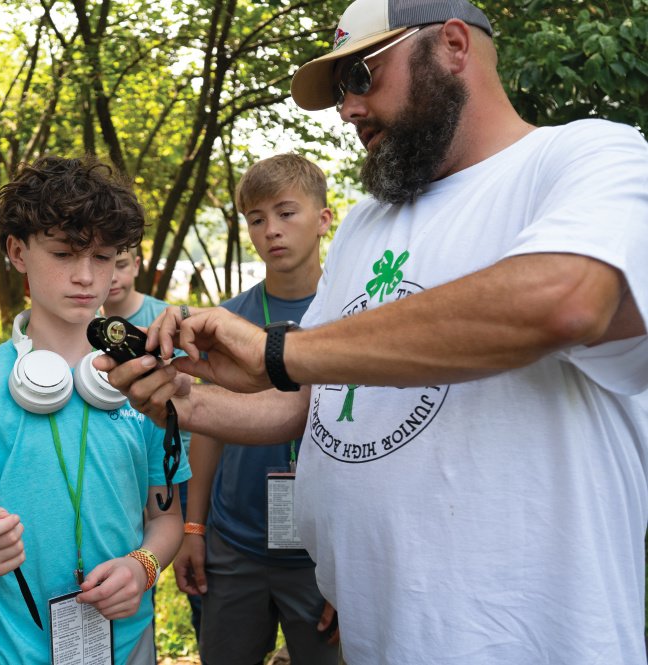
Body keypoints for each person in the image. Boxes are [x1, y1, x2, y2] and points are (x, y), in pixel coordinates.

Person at [95, 0, 648, 662]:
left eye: (361, 76)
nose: (347, 109)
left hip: (525, 641)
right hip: (377, 635)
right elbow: (310, 399)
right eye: (338, 91)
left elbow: (566, 298)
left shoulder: (587, 154)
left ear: (453, 46)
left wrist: (280, 351)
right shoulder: (364, 223)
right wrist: (184, 401)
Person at [0, 155, 191, 665]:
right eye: (64, 253)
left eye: (104, 257)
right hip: (6, 652)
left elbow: (167, 518)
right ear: (17, 251)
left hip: (127, 646)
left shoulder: (147, 381)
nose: (86, 276)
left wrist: (142, 567)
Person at [174, 154, 338, 665]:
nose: (272, 231)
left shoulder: (351, 316)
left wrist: (350, 565)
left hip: (320, 555)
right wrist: (194, 529)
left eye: (286, 213)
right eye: (257, 219)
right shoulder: (227, 320)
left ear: (324, 219)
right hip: (235, 545)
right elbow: (208, 428)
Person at [102, 246, 204, 641]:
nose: (110, 276)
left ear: (137, 265)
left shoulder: (164, 320)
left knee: (152, 558)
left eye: (119, 264)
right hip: (126, 470)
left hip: (169, 465)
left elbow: (189, 392)